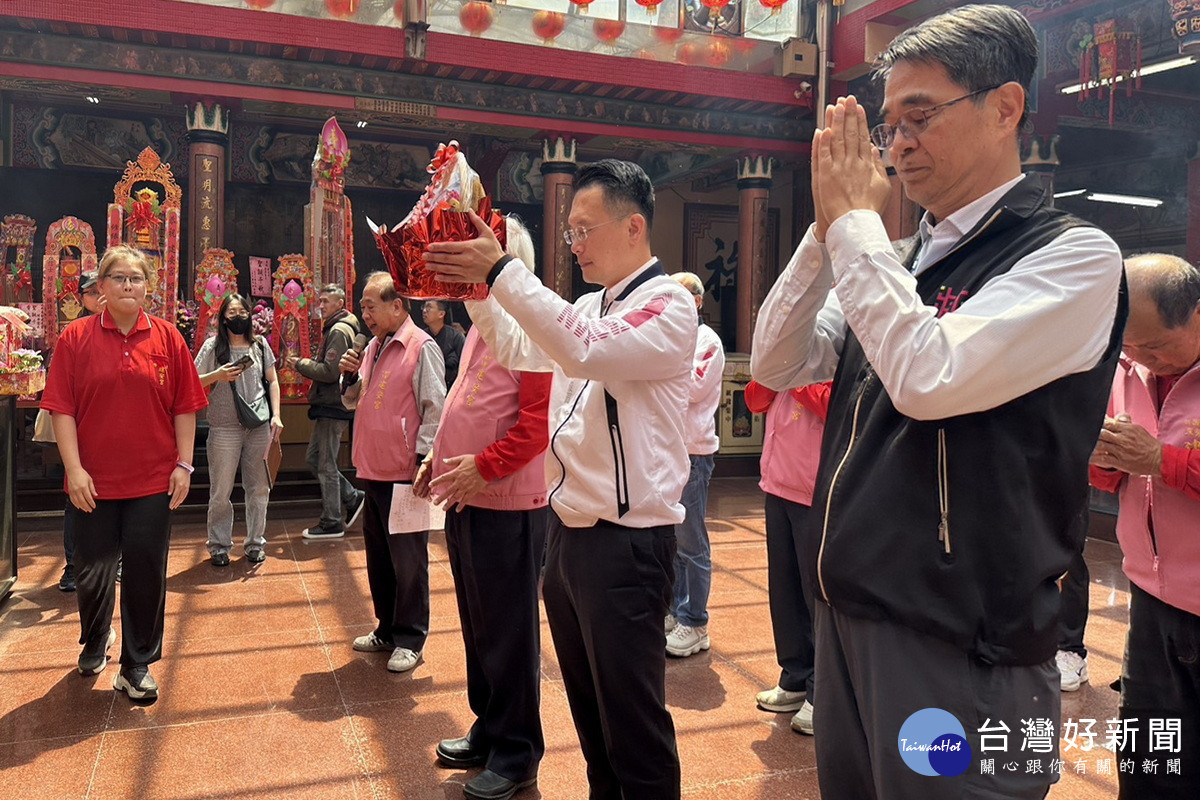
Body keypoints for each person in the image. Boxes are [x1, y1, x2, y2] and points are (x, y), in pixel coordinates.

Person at [750, 6, 1126, 798]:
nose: (896, 144)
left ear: (1005, 108)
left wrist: (854, 223)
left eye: (919, 117)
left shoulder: (1071, 256)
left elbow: (930, 378)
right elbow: (782, 359)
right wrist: (827, 231)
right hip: (850, 616)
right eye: (887, 126)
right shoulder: (892, 257)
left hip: (964, 645)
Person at [426, 159, 695, 800]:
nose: (573, 244)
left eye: (583, 229)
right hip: (570, 533)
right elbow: (525, 350)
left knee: (633, 721)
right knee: (591, 711)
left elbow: (586, 348)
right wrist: (479, 290)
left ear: (634, 228)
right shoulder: (587, 303)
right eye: (569, 231)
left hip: (628, 541)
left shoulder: (669, 305)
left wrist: (501, 272)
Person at [416, 218, 552, 800]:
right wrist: (437, 458)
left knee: (509, 630)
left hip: (507, 502)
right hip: (466, 494)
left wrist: (482, 467)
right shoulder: (480, 324)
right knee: (478, 626)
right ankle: (488, 728)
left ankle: (517, 752)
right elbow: (461, 401)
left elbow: (535, 427)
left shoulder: (537, 326)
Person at [41, 245, 207, 702]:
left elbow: (185, 407)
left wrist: (184, 464)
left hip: (153, 480)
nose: (127, 285)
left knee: (145, 572)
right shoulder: (75, 338)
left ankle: (137, 664)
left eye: (136, 278)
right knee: (92, 571)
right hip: (92, 482)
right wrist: (73, 470)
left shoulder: (168, 338)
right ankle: (95, 639)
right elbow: (61, 409)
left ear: (148, 287)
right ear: (101, 286)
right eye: (118, 277)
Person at [1089, 253, 1200, 800]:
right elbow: (1112, 478)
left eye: (1155, 346)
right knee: (1149, 755)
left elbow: (1157, 463)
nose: (1141, 361)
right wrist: (1107, 460)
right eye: (1128, 347)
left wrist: (1163, 460)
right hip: (1151, 593)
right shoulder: (1125, 368)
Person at [339, 272, 445, 673]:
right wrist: (348, 377)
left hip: (406, 472)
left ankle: (411, 637)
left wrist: (424, 461)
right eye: (363, 306)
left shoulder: (422, 347)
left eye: (370, 306)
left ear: (397, 305)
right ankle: (386, 629)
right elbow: (352, 402)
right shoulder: (374, 347)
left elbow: (435, 407)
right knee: (380, 556)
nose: (364, 314)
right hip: (373, 468)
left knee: (409, 560)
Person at [744, 379, 829, 736]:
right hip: (778, 482)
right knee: (785, 592)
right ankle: (795, 676)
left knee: (816, 599)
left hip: (815, 491)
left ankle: (822, 694)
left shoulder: (835, 339)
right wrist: (773, 370)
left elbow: (832, 404)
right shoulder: (787, 357)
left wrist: (795, 377)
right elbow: (754, 400)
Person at [194, 293, 283, 566]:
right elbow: (193, 380)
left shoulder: (259, 346)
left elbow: (273, 380)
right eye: (231, 314)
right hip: (224, 428)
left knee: (258, 489)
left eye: (241, 313)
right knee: (221, 491)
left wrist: (276, 415)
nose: (237, 318)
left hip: (257, 426)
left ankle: (255, 544)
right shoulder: (212, 347)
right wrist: (217, 375)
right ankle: (219, 545)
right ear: (222, 319)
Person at [663, 271, 724, 658]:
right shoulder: (670, 335)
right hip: (666, 449)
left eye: (682, 295)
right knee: (670, 540)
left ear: (698, 302)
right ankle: (675, 609)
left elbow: (694, 388)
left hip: (694, 451)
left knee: (691, 541)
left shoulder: (708, 341)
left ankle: (695, 621)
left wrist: (663, 371)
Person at [292, 283, 365, 539]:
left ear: (340, 304)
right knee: (315, 459)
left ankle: (332, 520)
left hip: (332, 406)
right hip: (329, 405)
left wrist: (301, 364)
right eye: (320, 301)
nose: (320, 305)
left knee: (325, 464)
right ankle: (352, 497)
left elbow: (329, 372)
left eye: (326, 301)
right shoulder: (337, 328)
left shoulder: (338, 330)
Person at [56, 270, 102, 592]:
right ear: (81, 299)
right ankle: (72, 564)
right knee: (76, 502)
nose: (98, 296)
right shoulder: (73, 334)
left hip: (116, 437)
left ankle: (117, 561)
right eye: (91, 292)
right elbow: (61, 400)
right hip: (81, 435)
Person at [423, 298, 465, 388]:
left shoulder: (456, 337)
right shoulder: (421, 336)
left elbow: (464, 367)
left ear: (441, 314)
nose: (424, 311)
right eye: (423, 307)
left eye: (429, 307)